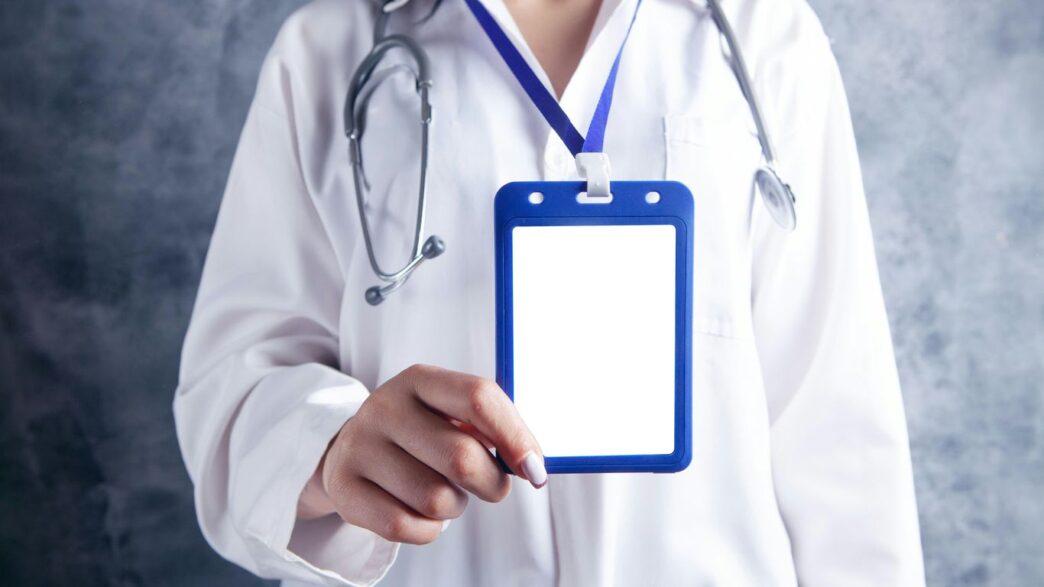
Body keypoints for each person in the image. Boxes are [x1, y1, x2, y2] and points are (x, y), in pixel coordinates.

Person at [173, 0, 925, 584]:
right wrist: (330, 448)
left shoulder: (764, 40)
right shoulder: (326, 52)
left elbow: (842, 435)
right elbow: (231, 401)